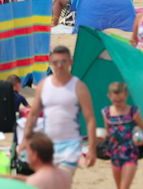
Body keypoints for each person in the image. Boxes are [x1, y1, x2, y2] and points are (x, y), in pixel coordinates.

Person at [22, 46, 97, 179]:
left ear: (70, 62)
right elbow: (33, 115)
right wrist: (25, 140)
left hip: (70, 147)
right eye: (56, 62)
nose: (60, 65)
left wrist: (92, 148)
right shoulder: (43, 85)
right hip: (47, 146)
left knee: (61, 183)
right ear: (51, 63)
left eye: (63, 61)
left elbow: (90, 119)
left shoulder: (79, 87)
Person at [99, 82, 143, 189]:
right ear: (109, 96)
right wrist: (100, 137)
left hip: (130, 153)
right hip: (114, 154)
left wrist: (141, 140)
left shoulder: (133, 111)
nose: (118, 103)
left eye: (121, 100)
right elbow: (108, 132)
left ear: (127, 95)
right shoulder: (107, 113)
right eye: (115, 100)